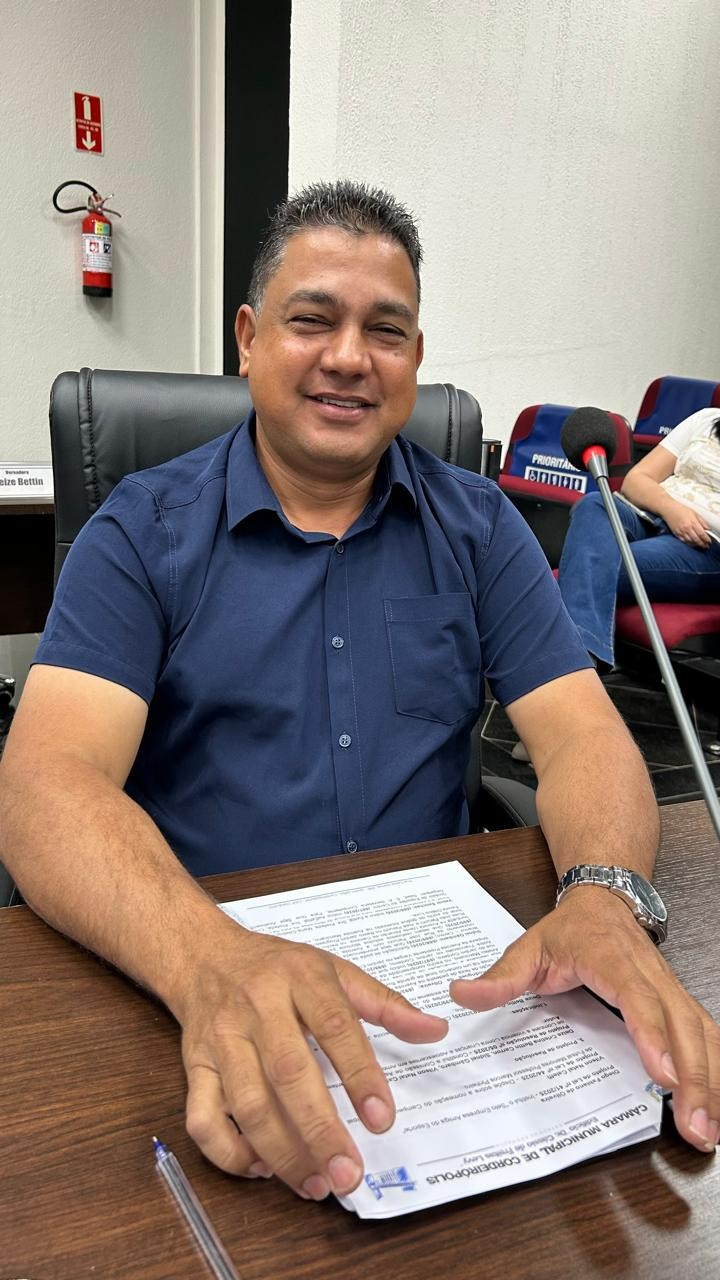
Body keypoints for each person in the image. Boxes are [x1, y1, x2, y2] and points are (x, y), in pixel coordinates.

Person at [0, 182, 717, 1205]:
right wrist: (208, 960)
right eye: (311, 319)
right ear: (248, 340)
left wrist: (603, 893)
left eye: (385, 331)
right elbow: (44, 785)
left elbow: (581, 737)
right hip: (190, 974)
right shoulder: (143, 531)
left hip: (439, 1004)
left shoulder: (479, 527)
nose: (349, 356)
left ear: (415, 359)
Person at [557, 409, 720, 669]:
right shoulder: (706, 419)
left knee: (591, 561)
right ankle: (577, 661)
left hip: (705, 545)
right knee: (595, 503)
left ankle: (575, 660)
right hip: (650, 513)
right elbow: (636, 480)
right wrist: (672, 510)